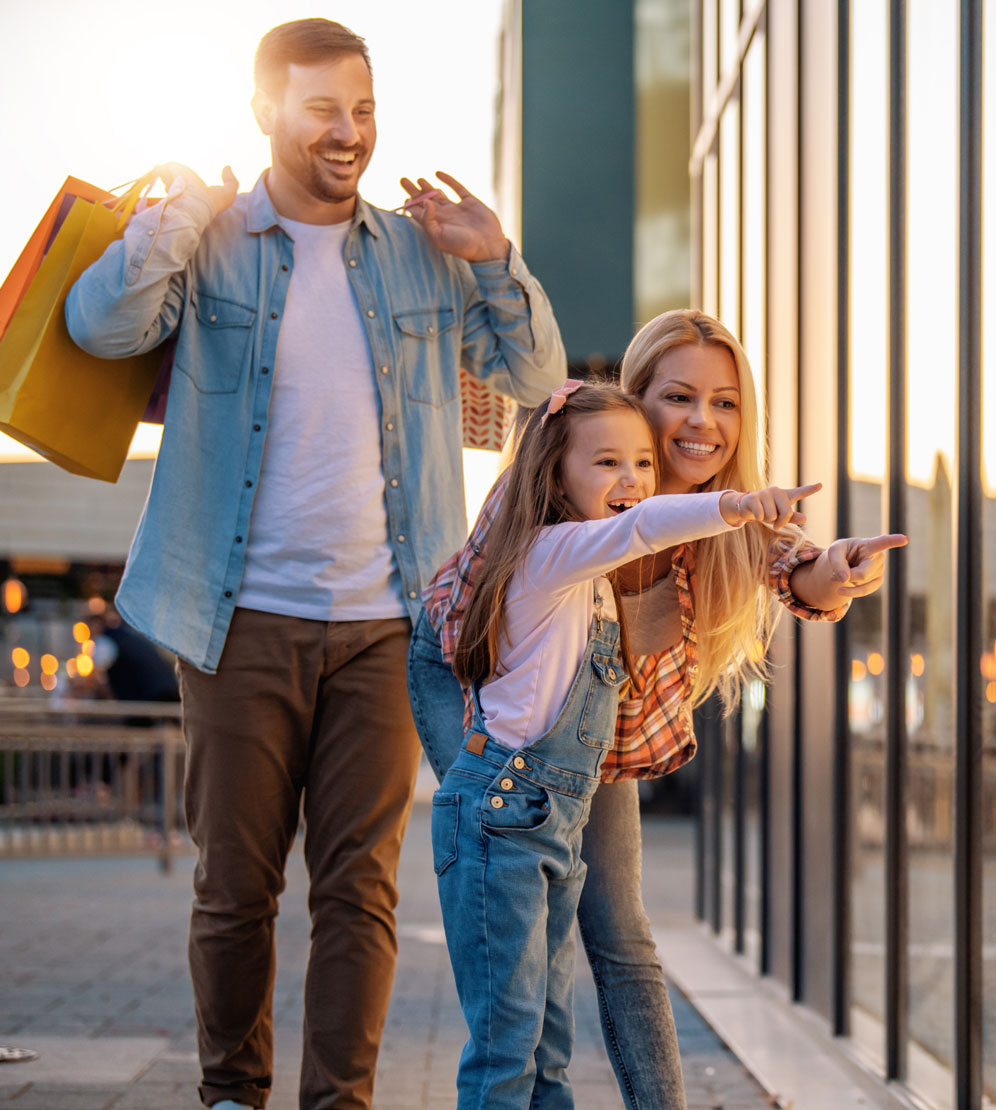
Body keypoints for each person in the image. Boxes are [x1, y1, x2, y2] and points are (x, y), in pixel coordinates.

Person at [65, 18, 565, 1110]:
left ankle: (340, 1102)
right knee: (235, 888)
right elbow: (97, 325)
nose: (349, 133)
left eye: (364, 109)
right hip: (236, 619)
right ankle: (231, 1094)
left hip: (389, 627)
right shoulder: (211, 241)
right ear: (266, 113)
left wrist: (495, 256)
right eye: (323, 109)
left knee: (359, 890)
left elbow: (532, 376)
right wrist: (183, 214)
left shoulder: (421, 252)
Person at [408, 309, 907, 1108]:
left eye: (726, 402)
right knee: (515, 933)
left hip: (595, 748)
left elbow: (798, 568)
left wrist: (839, 572)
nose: (703, 421)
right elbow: (455, 616)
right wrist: (489, 755)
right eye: (679, 397)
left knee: (619, 935)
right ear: (635, 398)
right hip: (496, 727)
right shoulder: (563, 494)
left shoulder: (729, 517)